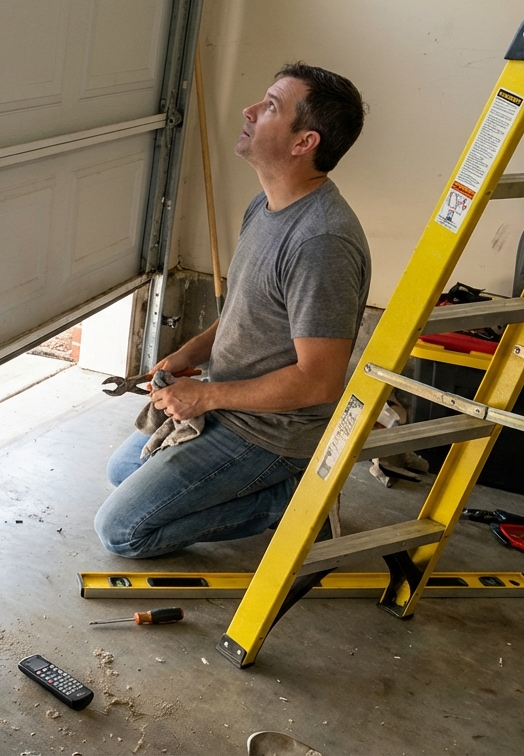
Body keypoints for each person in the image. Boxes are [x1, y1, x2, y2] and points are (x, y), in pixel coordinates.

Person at [94, 62, 370, 558]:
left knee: (122, 531)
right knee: (121, 472)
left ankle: (285, 502)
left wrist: (207, 397)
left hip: (270, 433)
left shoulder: (321, 242)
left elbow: (319, 380)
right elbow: (245, 312)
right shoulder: (263, 206)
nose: (249, 110)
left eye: (270, 107)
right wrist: (187, 354)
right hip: (229, 405)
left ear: (303, 142)